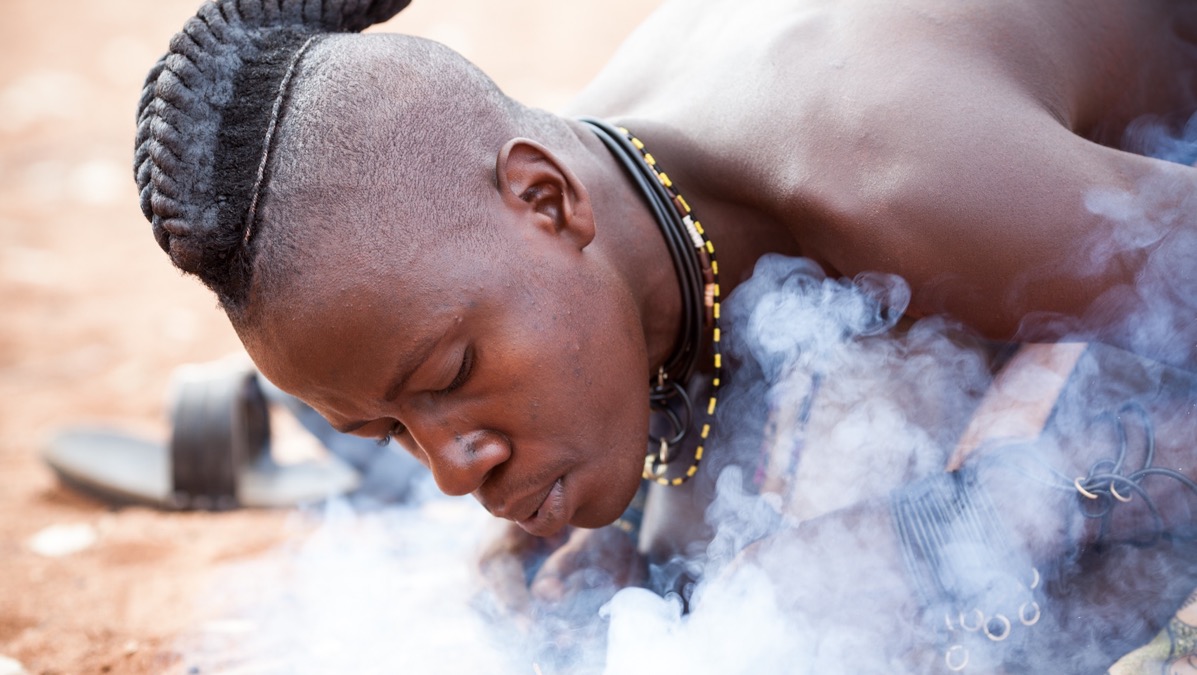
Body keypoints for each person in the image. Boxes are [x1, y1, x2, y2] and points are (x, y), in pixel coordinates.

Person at [133, 0, 1197, 671]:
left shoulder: (897, 178)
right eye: (390, 433)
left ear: (547, 201)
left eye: (452, 377)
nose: (456, 471)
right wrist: (625, 523)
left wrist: (969, 520)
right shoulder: (572, 203)